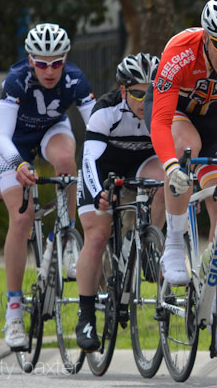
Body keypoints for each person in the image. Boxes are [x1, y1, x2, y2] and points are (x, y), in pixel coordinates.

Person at [146, 0, 217, 355]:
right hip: (173, 117)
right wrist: (170, 166)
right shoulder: (180, 52)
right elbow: (160, 121)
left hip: (214, 121)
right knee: (186, 147)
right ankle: (174, 244)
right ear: (206, 37)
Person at [0, 23, 96, 349]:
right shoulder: (16, 79)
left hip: (52, 130)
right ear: (31, 61)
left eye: (57, 63)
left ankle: (64, 236)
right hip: (16, 143)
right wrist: (18, 164)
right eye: (42, 63)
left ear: (65, 59)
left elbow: (96, 129)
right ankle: (13, 310)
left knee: (66, 160)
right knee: (21, 219)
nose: (50, 71)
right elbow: (1, 136)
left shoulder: (75, 79)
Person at [74, 52, 165, 351]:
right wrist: (98, 192)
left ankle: (148, 243)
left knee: (165, 179)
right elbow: (89, 160)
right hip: (102, 170)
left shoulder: (163, 109)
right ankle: (86, 315)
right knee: (97, 237)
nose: (144, 101)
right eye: (138, 94)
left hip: (141, 165)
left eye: (151, 93)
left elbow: (172, 155)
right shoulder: (106, 111)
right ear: (124, 91)